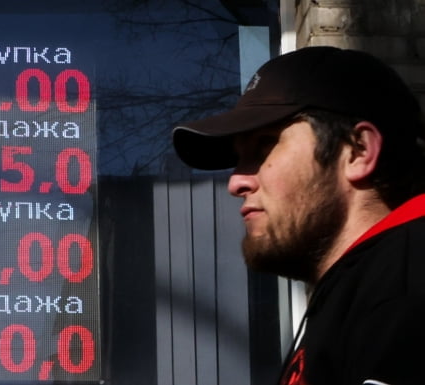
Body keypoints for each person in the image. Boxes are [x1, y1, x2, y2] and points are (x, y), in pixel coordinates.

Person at [172, 46, 425, 385]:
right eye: (239, 157)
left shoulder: (404, 292)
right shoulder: (365, 285)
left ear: (358, 152)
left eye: (264, 147)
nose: (236, 181)